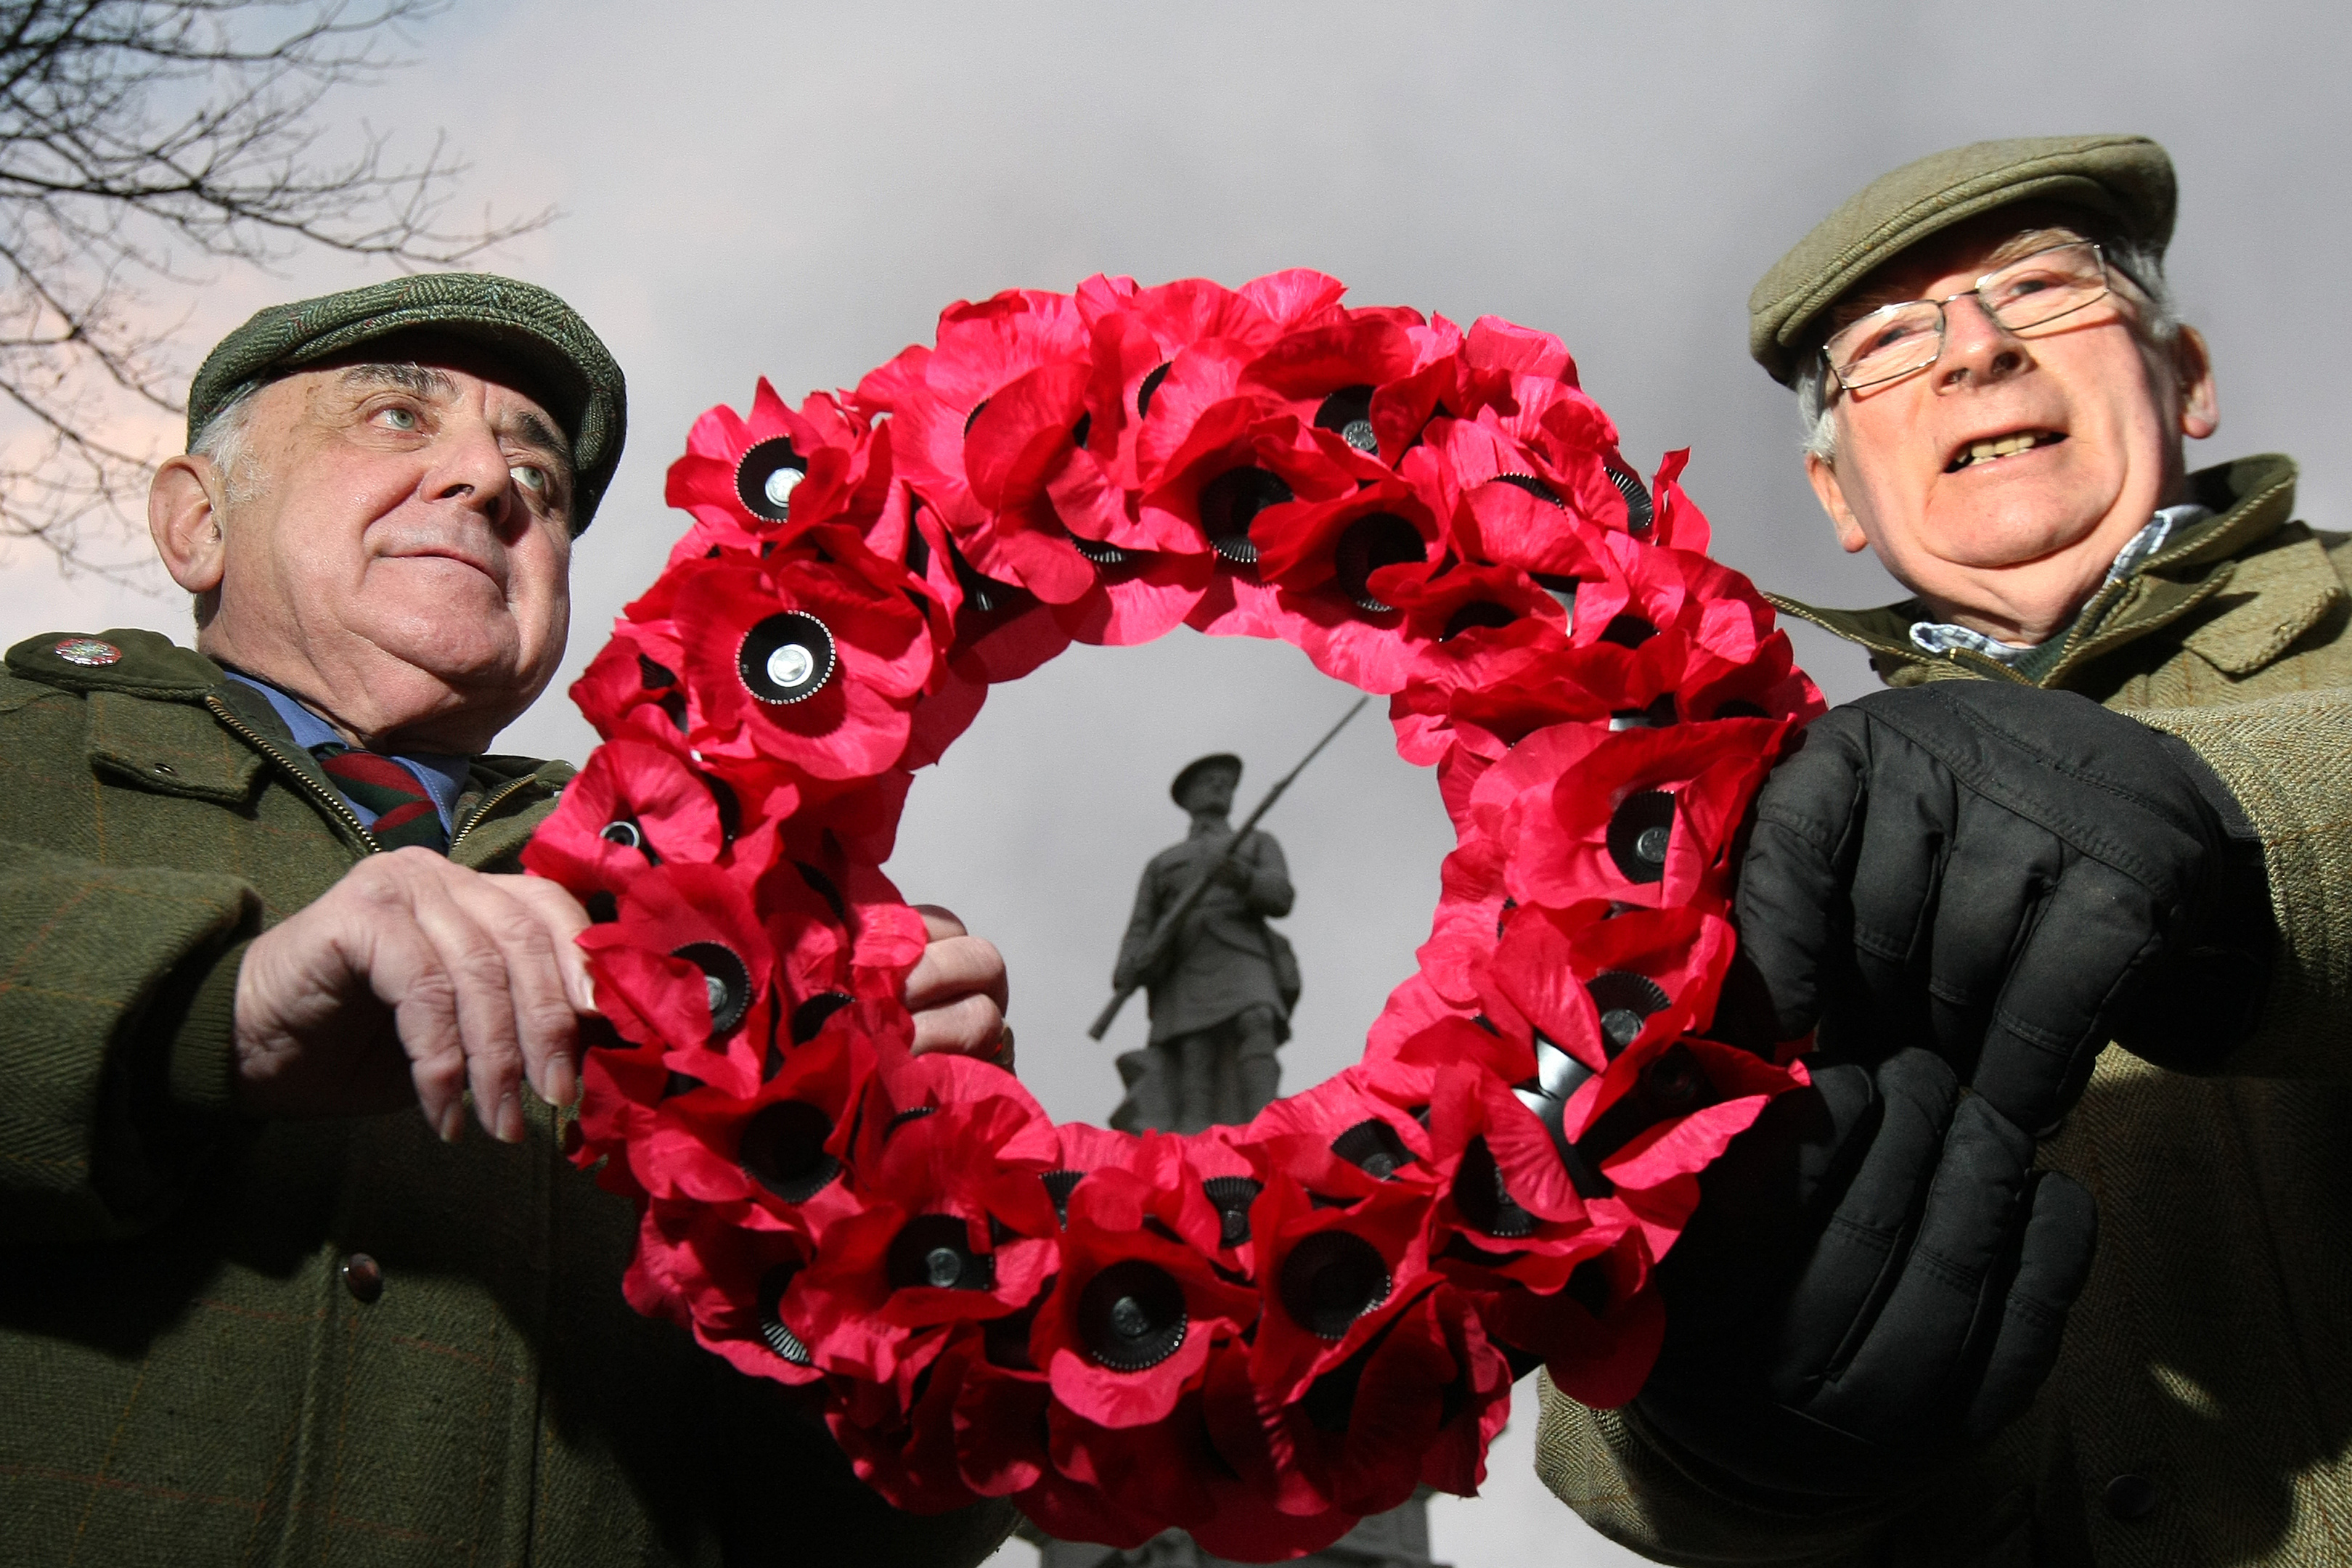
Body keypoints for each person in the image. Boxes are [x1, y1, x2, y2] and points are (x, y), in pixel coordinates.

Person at [0, 275, 1018, 1567]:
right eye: (392, 420)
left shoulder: (730, 896)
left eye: (537, 479)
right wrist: (216, 1013)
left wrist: (906, 1200)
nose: (491, 483)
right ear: (196, 523)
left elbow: (882, 1538)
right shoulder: (21, 742)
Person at [1536, 135, 2352, 1565]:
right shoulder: (1749, 849)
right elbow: (1588, 1405)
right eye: (1893, 341)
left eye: (2043, 291)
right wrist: (1731, 1437)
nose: (1976, 350)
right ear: (1839, 496)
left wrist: (2233, 840)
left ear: (2191, 376)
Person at [1108, 753, 1297, 1135]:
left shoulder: (1256, 841)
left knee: (1257, 1019)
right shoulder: (1165, 862)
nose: (1220, 788)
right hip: (1187, 959)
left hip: (1243, 951)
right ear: (1188, 797)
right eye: (1209, 781)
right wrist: (1129, 966)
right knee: (1195, 1050)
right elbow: (1142, 924)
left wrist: (1241, 877)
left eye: (1226, 783)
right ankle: (1194, 1137)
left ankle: (1266, 1125)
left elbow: (1281, 897)